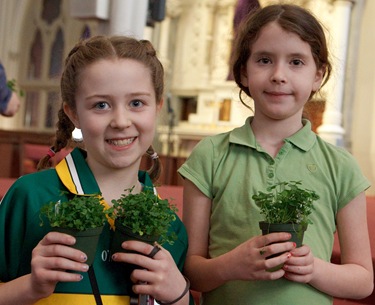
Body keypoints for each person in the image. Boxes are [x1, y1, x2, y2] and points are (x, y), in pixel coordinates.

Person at [178, 4, 373, 305]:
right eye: (265, 60)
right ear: (243, 72)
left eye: (296, 62)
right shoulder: (211, 155)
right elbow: (190, 270)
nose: (279, 75)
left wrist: (313, 269)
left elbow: (362, 280)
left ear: (318, 75)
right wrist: (232, 265)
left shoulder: (340, 166)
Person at [0, 35, 192, 305]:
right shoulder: (29, 197)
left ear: (157, 107)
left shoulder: (170, 225)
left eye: (136, 103)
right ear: (74, 113)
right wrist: (31, 286)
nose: (121, 121)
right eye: (101, 105)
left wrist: (180, 297)